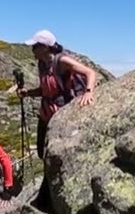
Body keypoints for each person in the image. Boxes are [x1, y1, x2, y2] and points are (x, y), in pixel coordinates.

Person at [15, 29, 99, 159]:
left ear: (45, 47)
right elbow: (46, 90)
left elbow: (90, 73)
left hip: (60, 114)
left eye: (35, 46)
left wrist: (88, 92)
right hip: (46, 114)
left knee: (55, 154)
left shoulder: (62, 61)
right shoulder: (42, 64)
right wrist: (28, 93)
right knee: (42, 151)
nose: (32, 49)